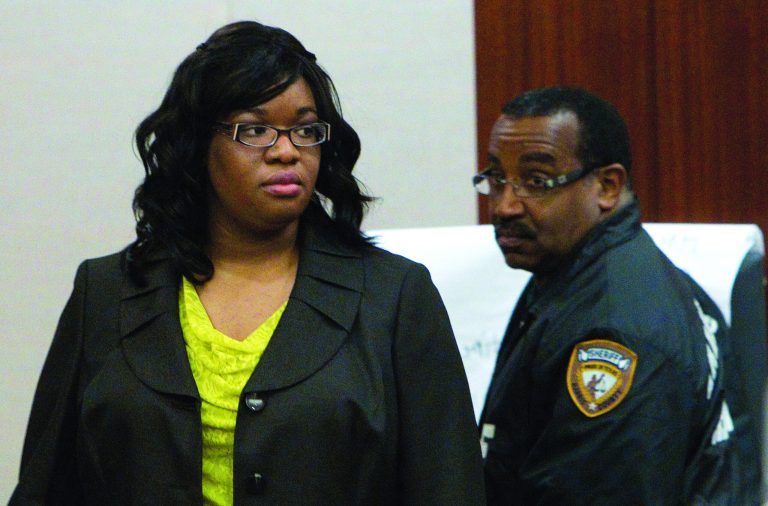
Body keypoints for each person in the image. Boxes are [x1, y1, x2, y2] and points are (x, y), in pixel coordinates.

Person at [11, 21, 484, 505]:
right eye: (254, 130)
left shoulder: (395, 296)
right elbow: (47, 487)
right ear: (198, 144)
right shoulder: (107, 291)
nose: (286, 151)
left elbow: (450, 486)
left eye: (305, 130)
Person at [474, 86, 742, 504]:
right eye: (496, 178)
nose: (505, 205)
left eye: (536, 181)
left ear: (607, 186)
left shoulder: (617, 329)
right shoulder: (577, 274)